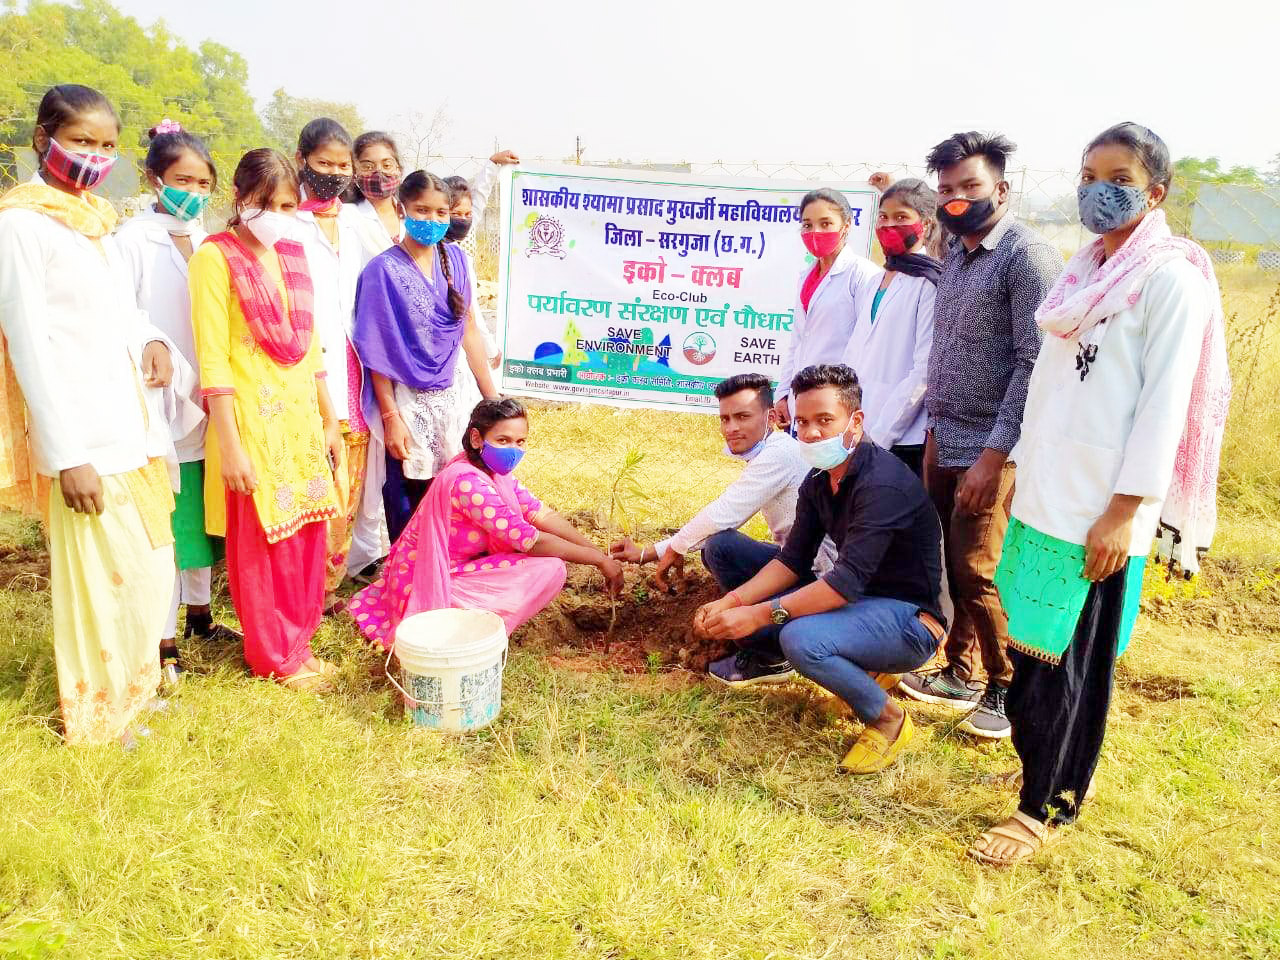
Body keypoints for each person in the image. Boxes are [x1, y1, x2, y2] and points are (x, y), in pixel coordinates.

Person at [968, 124, 1230, 865]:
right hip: (1047, 498)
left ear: (1156, 192)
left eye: (1118, 178)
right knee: (1031, 651)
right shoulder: (1083, 273)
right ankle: (1037, 773)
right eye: (1087, 175)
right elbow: (1052, 391)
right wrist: (1022, 471)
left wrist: (1124, 511)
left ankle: (1044, 806)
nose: (1096, 190)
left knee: (1070, 666)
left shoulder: (1170, 281)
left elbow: (1164, 406)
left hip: (1102, 512)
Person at [0, 84, 177, 744]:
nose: (95, 156)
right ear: (43, 140)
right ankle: (101, 716)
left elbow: (122, 312)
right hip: (84, 440)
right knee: (101, 583)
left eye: (107, 145)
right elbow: (27, 345)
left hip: (132, 426)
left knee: (149, 570)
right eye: (81, 141)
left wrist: (153, 339)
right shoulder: (21, 226)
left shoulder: (95, 222)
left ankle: (138, 690)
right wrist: (65, 454)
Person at [694, 364, 945, 773]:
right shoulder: (818, 481)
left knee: (800, 638)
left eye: (825, 420)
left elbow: (843, 585)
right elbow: (792, 562)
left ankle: (889, 720)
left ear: (855, 421)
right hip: (858, 605)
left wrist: (758, 615)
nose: (810, 433)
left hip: (910, 621)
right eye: (803, 421)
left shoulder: (882, 484)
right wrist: (732, 602)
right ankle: (865, 671)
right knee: (725, 551)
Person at [896, 132, 1062, 740]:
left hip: (992, 445)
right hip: (944, 433)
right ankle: (960, 670)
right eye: (946, 189)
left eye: (970, 186)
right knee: (950, 558)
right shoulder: (958, 253)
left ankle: (1005, 687)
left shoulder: (1026, 256)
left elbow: (1033, 362)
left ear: (1002, 189)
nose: (957, 199)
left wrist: (996, 454)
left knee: (976, 568)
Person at [188, 148, 342, 693]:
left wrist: (329, 420)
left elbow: (312, 347)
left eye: (288, 205)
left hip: (300, 421)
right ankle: (274, 657)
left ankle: (299, 645)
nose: (278, 215)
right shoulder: (214, 258)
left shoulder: (294, 253)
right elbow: (212, 360)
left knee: (306, 533)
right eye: (266, 203)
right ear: (239, 197)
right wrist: (230, 447)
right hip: (251, 423)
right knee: (264, 542)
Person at [115, 119, 240, 681]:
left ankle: (200, 616)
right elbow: (124, 312)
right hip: (160, 397)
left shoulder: (208, 238)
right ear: (154, 178)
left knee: (201, 512)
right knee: (168, 517)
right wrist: (154, 343)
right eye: (182, 180)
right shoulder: (132, 239)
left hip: (209, 394)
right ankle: (162, 640)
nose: (194, 191)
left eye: (204, 183)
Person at [347, 397, 624, 646]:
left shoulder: (493, 473)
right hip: (427, 580)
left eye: (520, 442)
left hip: (454, 569)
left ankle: (471, 621)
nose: (513, 450)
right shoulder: (467, 483)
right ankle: (465, 629)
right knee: (549, 569)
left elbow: (540, 514)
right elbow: (530, 540)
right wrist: (598, 560)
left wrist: (598, 552)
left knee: (549, 567)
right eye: (503, 440)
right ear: (477, 438)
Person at [352, 170, 499, 545]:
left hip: (455, 398)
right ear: (402, 209)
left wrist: (493, 400)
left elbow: (469, 332)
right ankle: (408, 573)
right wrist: (391, 418)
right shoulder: (381, 271)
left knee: (457, 494)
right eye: (422, 210)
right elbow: (377, 352)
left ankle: (449, 571)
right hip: (406, 403)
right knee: (409, 500)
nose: (432, 220)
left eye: (441, 212)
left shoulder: (458, 261)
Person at [609, 372, 811, 599]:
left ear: (771, 417)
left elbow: (724, 513)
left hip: (817, 571)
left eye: (742, 417)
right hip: (795, 557)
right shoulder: (773, 449)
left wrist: (670, 549)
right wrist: (650, 552)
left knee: (720, 546)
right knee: (712, 548)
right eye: (725, 419)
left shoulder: (778, 454)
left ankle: (757, 612)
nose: (731, 428)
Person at [291, 118, 373, 611]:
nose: (335, 173)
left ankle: (328, 583)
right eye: (324, 163)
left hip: (353, 366)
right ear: (301, 160)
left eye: (344, 166)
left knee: (350, 477)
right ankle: (303, 585)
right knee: (312, 476)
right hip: (305, 365)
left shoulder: (357, 223)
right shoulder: (284, 221)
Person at [842, 178, 942, 477]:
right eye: (883, 217)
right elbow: (855, 352)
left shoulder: (929, 283)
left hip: (900, 437)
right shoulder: (876, 280)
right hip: (857, 426)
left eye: (901, 217)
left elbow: (924, 370)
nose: (889, 225)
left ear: (925, 223)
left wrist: (881, 434)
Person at [774, 188, 881, 426]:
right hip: (802, 399)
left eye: (826, 223)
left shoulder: (862, 274)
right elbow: (798, 342)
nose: (815, 232)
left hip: (838, 404)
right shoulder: (807, 276)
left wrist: (847, 400)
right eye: (807, 225)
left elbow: (867, 345)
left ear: (846, 225)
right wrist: (783, 394)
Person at [442, 174, 503, 413]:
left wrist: (492, 166)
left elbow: (477, 202)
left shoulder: (457, 252)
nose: (464, 220)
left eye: (467, 215)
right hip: (454, 356)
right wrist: (489, 348)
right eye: (456, 214)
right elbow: (470, 317)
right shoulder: (449, 256)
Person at [346, 131, 404, 259]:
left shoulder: (412, 214)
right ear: (355, 173)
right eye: (368, 167)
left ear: (399, 169)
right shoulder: (346, 216)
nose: (379, 172)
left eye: (387, 165)